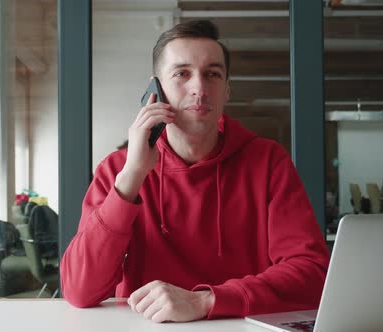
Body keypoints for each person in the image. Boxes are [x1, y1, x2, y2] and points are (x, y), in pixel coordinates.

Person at [60, 20, 329, 323]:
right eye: (182, 74)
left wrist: (205, 301)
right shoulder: (118, 169)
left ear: (227, 90)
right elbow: (79, 290)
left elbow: (312, 274)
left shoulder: (268, 162)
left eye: (213, 74)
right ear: (155, 90)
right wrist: (132, 176)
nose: (199, 88)